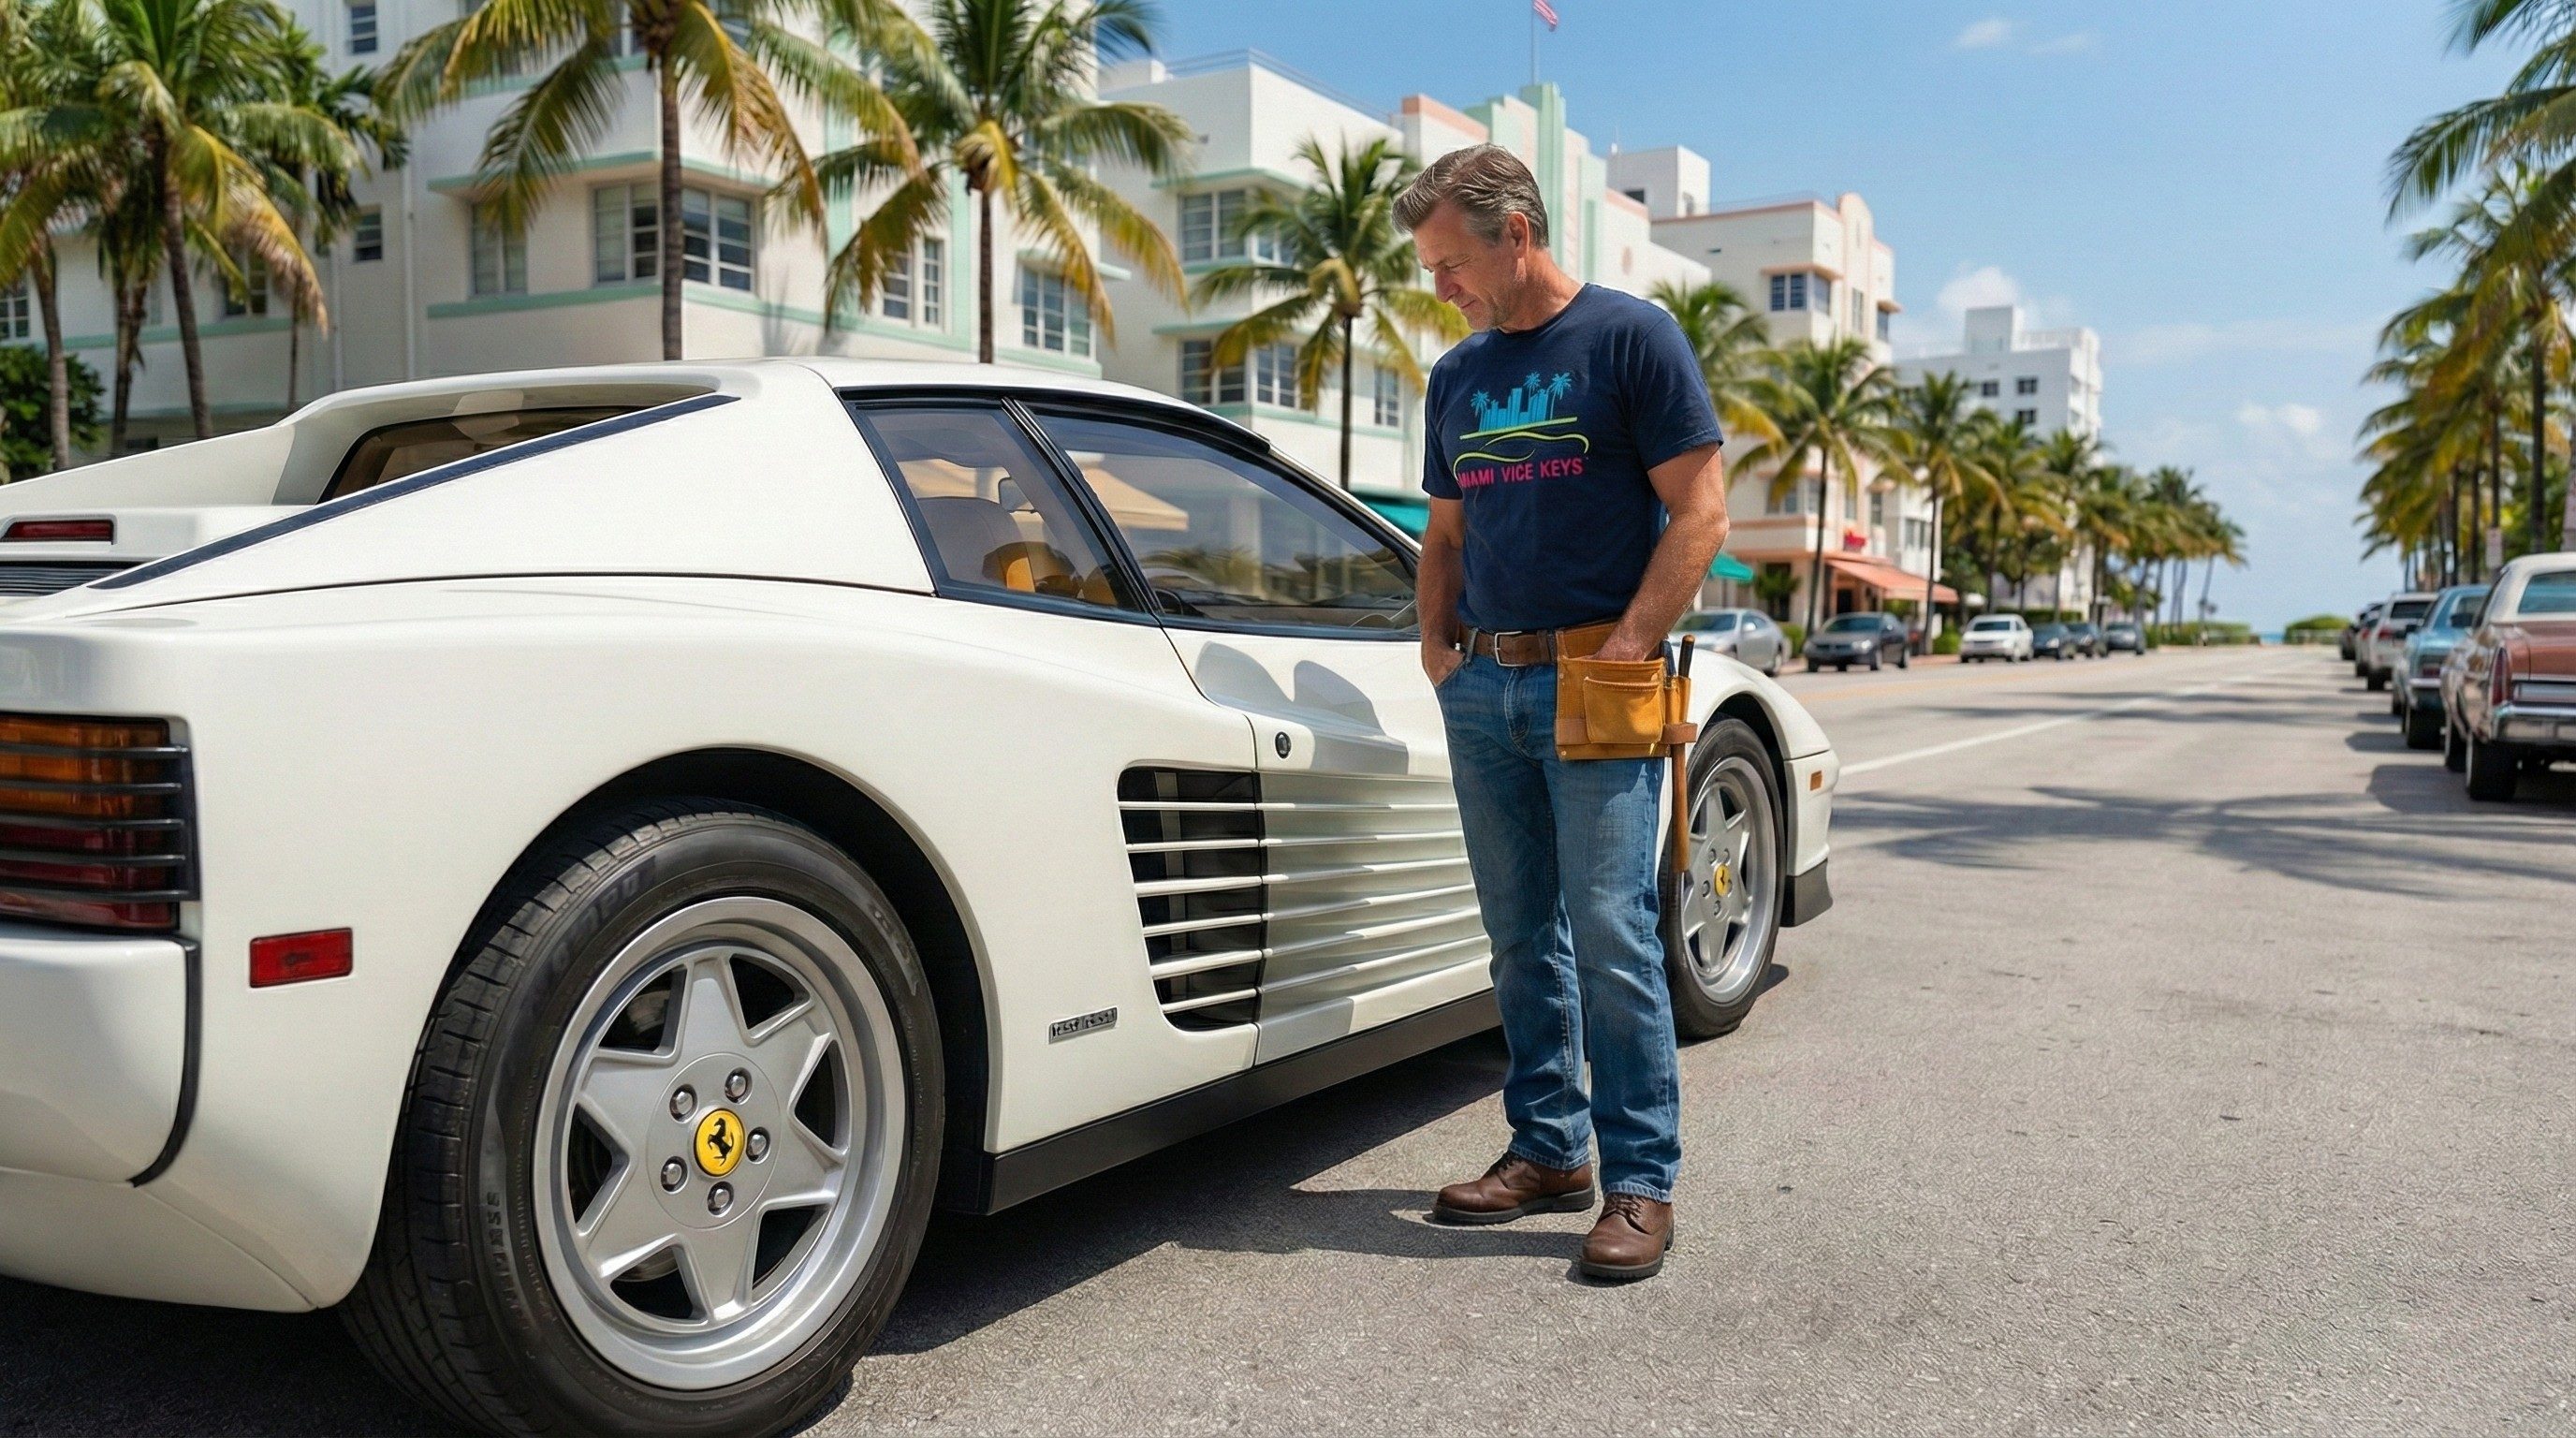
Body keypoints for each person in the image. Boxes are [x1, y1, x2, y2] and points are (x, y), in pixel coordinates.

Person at [1397, 145, 1732, 1282]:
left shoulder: (1631, 338)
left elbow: (1702, 511)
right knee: (1515, 933)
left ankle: (1640, 1181)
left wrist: (1630, 645)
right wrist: (1437, 648)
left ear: (1516, 234)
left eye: (1450, 262)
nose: (1440, 286)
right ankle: (1548, 1150)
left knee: (1609, 930)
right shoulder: (1457, 376)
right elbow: (1443, 534)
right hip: (1482, 683)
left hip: (1599, 675)